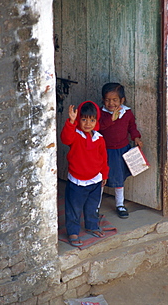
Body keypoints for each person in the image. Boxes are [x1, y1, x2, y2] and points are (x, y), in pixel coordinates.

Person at [60, 101, 109, 247]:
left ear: (96, 121)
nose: (88, 123)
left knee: (92, 206)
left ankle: (92, 225)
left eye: (92, 120)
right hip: (77, 181)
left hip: (95, 179)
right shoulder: (74, 135)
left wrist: (104, 174)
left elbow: (103, 158)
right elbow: (65, 139)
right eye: (84, 119)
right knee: (73, 208)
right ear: (79, 119)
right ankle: (73, 232)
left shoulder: (99, 138)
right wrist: (71, 121)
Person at [99, 83, 143, 218]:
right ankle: (95, 206)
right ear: (103, 100)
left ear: (122, 100)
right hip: (104, 151)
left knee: (119, 180)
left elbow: (132, 127)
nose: (111, 103)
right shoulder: (101, 113)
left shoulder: (127, 113)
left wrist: (136, 137)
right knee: (100, 179)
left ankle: (120, 204)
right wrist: (111, 120)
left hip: (121, 151)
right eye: (107, 100)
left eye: (115, 100)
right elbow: (97, 128)